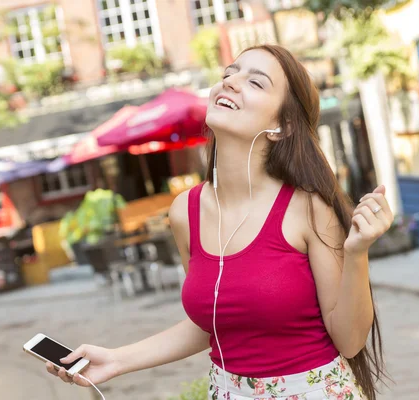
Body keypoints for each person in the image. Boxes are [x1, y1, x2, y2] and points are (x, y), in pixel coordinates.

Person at [46, 44, 391, 400]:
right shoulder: (185, 212)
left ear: (282, 125)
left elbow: (349, 340)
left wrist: (357, 253)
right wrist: (117, 360)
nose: (230, 82)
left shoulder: (306, 208)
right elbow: (215, 323)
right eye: (230, 72)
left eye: (255, 82)